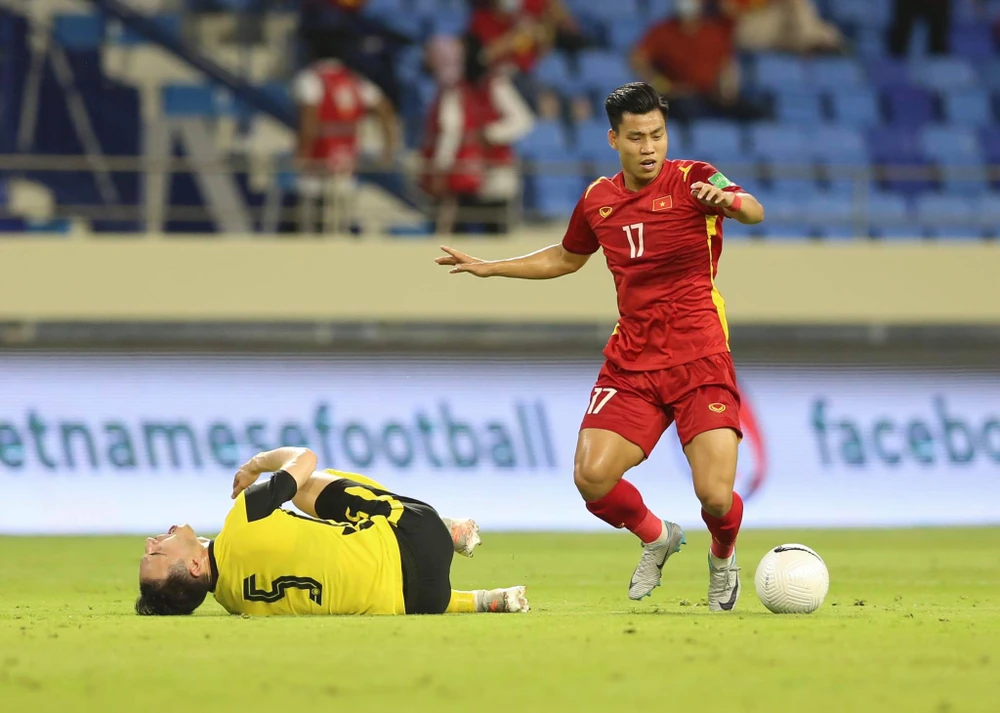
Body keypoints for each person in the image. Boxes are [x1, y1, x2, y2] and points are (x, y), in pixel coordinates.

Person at [434, 82, 764, 611]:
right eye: (637, 137)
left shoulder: (695, 178)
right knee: (592, 477)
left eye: (657, 135)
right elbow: (566, 257)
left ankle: (723, 558)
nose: (649, 147)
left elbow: (753, 210)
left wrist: (728, 201)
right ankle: (657, 536)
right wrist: (492, 267)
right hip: (632, 361)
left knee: (715, 496)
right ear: (614, 140)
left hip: (699, 356)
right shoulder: (598, 199)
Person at [136, 446, 529, 616]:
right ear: (193, 566)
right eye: (157, 552)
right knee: (304, 486)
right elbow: (304, 457)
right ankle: (450, 530)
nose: (152, 542)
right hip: (419, 536)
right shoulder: (243, 517)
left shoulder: (236, 604)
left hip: (424, 601)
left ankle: (484, 601)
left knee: (345, 578)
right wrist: (256, 465)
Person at [293, 51, 399, 234]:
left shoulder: (310, 79)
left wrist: (302, 151)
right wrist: (388, 148)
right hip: (345, 157)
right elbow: (385, 109)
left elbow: (309, 118)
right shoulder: (355, 81)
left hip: (318, 156)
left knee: (311, 211)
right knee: (340, 213)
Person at [630, 0, 767, 122]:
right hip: (678, 98)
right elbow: (638, 59)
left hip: (710, 96)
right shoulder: (662, 31)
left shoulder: (714, 31)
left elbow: (726, 64)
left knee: (753, 112)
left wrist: (726, 90)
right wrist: (664, 86)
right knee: (689, 108)